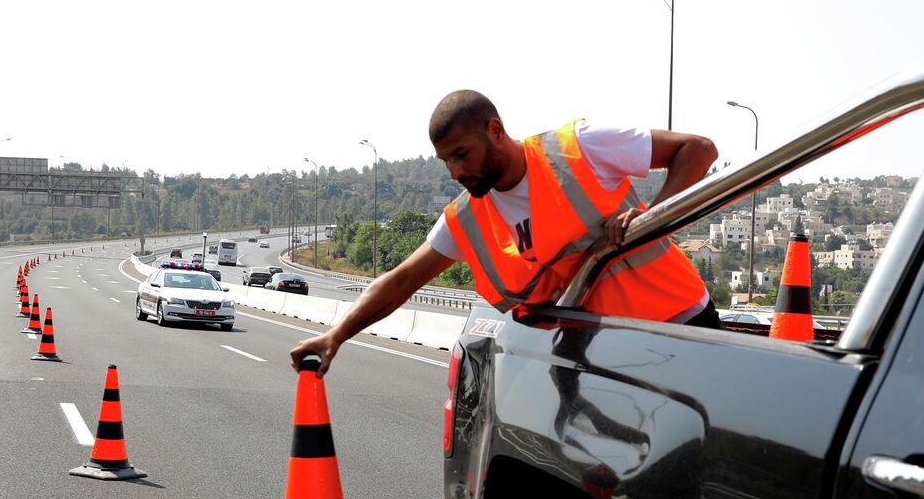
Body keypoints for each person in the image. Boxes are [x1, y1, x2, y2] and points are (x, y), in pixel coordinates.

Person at [290, 90, 719, 372]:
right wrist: (336, 335)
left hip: (682, 327)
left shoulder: (578, 147)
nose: (456, 171)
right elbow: (401, 280)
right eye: (446, 161)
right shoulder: (468, 218)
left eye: (462, 154)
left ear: (495, 129)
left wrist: (652, 215)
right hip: (601, 360)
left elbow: (698, 150)